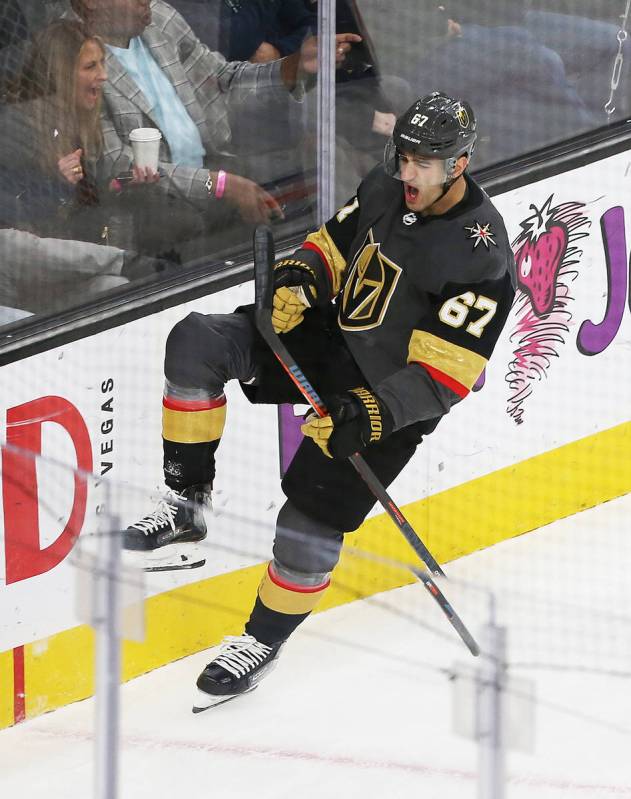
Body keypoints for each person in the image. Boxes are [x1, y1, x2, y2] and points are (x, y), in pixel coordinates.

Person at [122, 91, 517, 708]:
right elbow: (333, 246)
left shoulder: (481, 255)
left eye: (421, 162)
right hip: (330, 339)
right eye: (402, 156)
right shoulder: (386, 186)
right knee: (197, 342)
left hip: (389, 395)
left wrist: (371, 413)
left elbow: (444, 376)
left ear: (457, 165)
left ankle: (261, 641)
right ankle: (187, 503)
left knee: (309, 521)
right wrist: (304, 277)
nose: (404, 171)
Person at [65, 0, 360, 259]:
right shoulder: (76, 55)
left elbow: (223, 81)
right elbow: (116, 166)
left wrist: (293, 67)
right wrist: (219, 185)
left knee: (330, 157)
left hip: (218, 165)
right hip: (151, 207)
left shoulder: (161, 19)